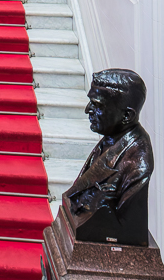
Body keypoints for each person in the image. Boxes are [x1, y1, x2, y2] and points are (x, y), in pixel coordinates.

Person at [63, 68, 154, 245]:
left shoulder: (137, 163)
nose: (87, 110)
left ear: (126, 115)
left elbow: (127, 225)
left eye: (97, 105)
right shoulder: (111, 140)